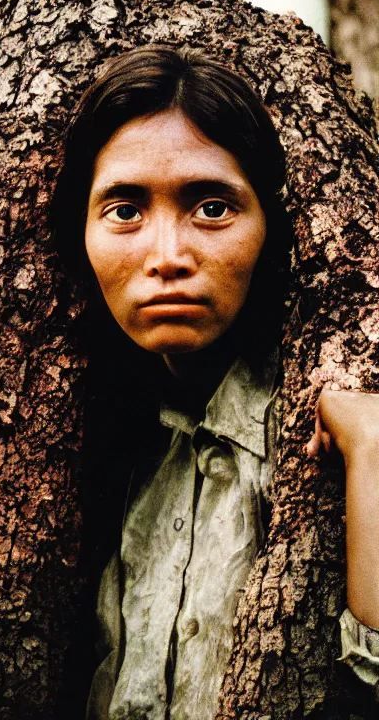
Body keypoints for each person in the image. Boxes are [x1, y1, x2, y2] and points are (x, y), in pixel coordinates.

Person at [52, 45, 379, 719]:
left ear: (272, 228)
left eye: (211, 208)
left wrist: (373, 452)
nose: (167, 257)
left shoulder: (324, 435)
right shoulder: (95, 452)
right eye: (123, 210)